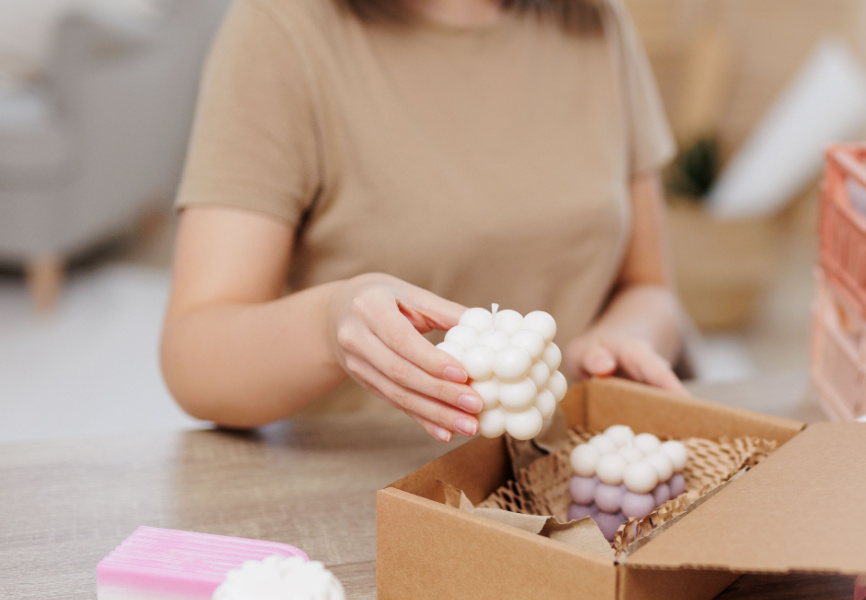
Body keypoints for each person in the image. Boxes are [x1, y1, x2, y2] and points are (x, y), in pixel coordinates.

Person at [161, 0, 688, 443]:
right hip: (377, 498)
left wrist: (619, 342)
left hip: (568, 473)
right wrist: (329, 324)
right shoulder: (281, 29)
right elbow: (194, 361)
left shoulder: (595, 19)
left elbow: (649, 287)